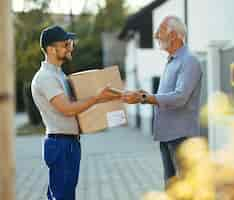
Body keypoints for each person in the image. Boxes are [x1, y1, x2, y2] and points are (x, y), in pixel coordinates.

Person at [31, 25, 120, 200]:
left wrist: (105, 99)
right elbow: (67, 109)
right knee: (62, 197)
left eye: (70, 42)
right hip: (60, 144)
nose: (70, 46)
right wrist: (96, 98)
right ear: (50, 49)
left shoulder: (60, 75)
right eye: (65, 44)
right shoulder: (46, 78)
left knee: (64, 195)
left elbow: (78, 104)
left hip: (68, 143)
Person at [122, 16, 202, 185]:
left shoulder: (189, 61)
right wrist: (144, 95)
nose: (155, 35)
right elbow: (165, 96)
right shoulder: (172, 61)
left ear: (173, 35)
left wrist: (146, 98)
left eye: (160, 31)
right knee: (171, 186)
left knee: (185, 188)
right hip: (167, 136)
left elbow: (180, 97)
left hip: (182, 137)